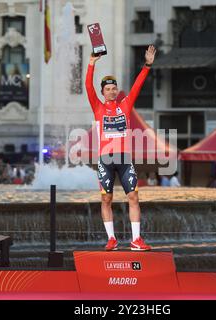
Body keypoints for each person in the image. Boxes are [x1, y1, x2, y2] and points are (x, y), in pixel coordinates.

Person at [86, 45, 156, 251]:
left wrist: (147, 66)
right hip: (105, 159)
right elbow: (88, 87)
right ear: (103, 92)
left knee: (133, 196)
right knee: (106, 198)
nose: (112, 91)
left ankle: (136, 240)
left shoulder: (125, 105)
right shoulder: (98, 107)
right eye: (108, 89)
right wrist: (91, 63)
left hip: (124, 159)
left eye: (114, 88)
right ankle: (111, 239)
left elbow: (137, 86)